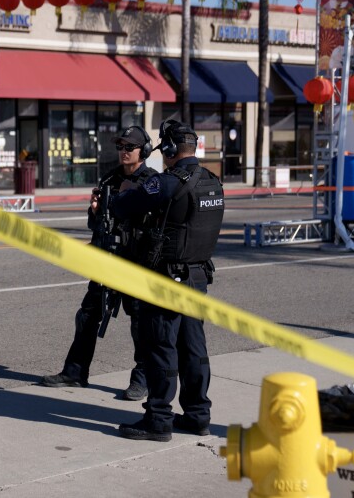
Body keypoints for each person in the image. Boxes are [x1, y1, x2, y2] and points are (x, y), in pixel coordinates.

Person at [110, 120, 225, 441]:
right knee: (193, 347)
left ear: (171, 149)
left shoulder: (168, 182)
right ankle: (198, 415)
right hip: (198, 276)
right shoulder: (212, 182)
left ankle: (158, 418)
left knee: (160, 346)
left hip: (167, 279)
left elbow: (124, 206)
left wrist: (125, 193)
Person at [39, 126, 158, 401]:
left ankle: (142, 378)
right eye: (120, 147)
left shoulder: (151, 182)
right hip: (107, 260)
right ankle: (75, 371)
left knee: (139, 321)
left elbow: (155, 224)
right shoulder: (110, 179)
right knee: (88, 314)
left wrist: (133, 199)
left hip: (135, 264)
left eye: (129, 147)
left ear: (144, 151)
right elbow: (96, 223)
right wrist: (94, 210)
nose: (123, 152)